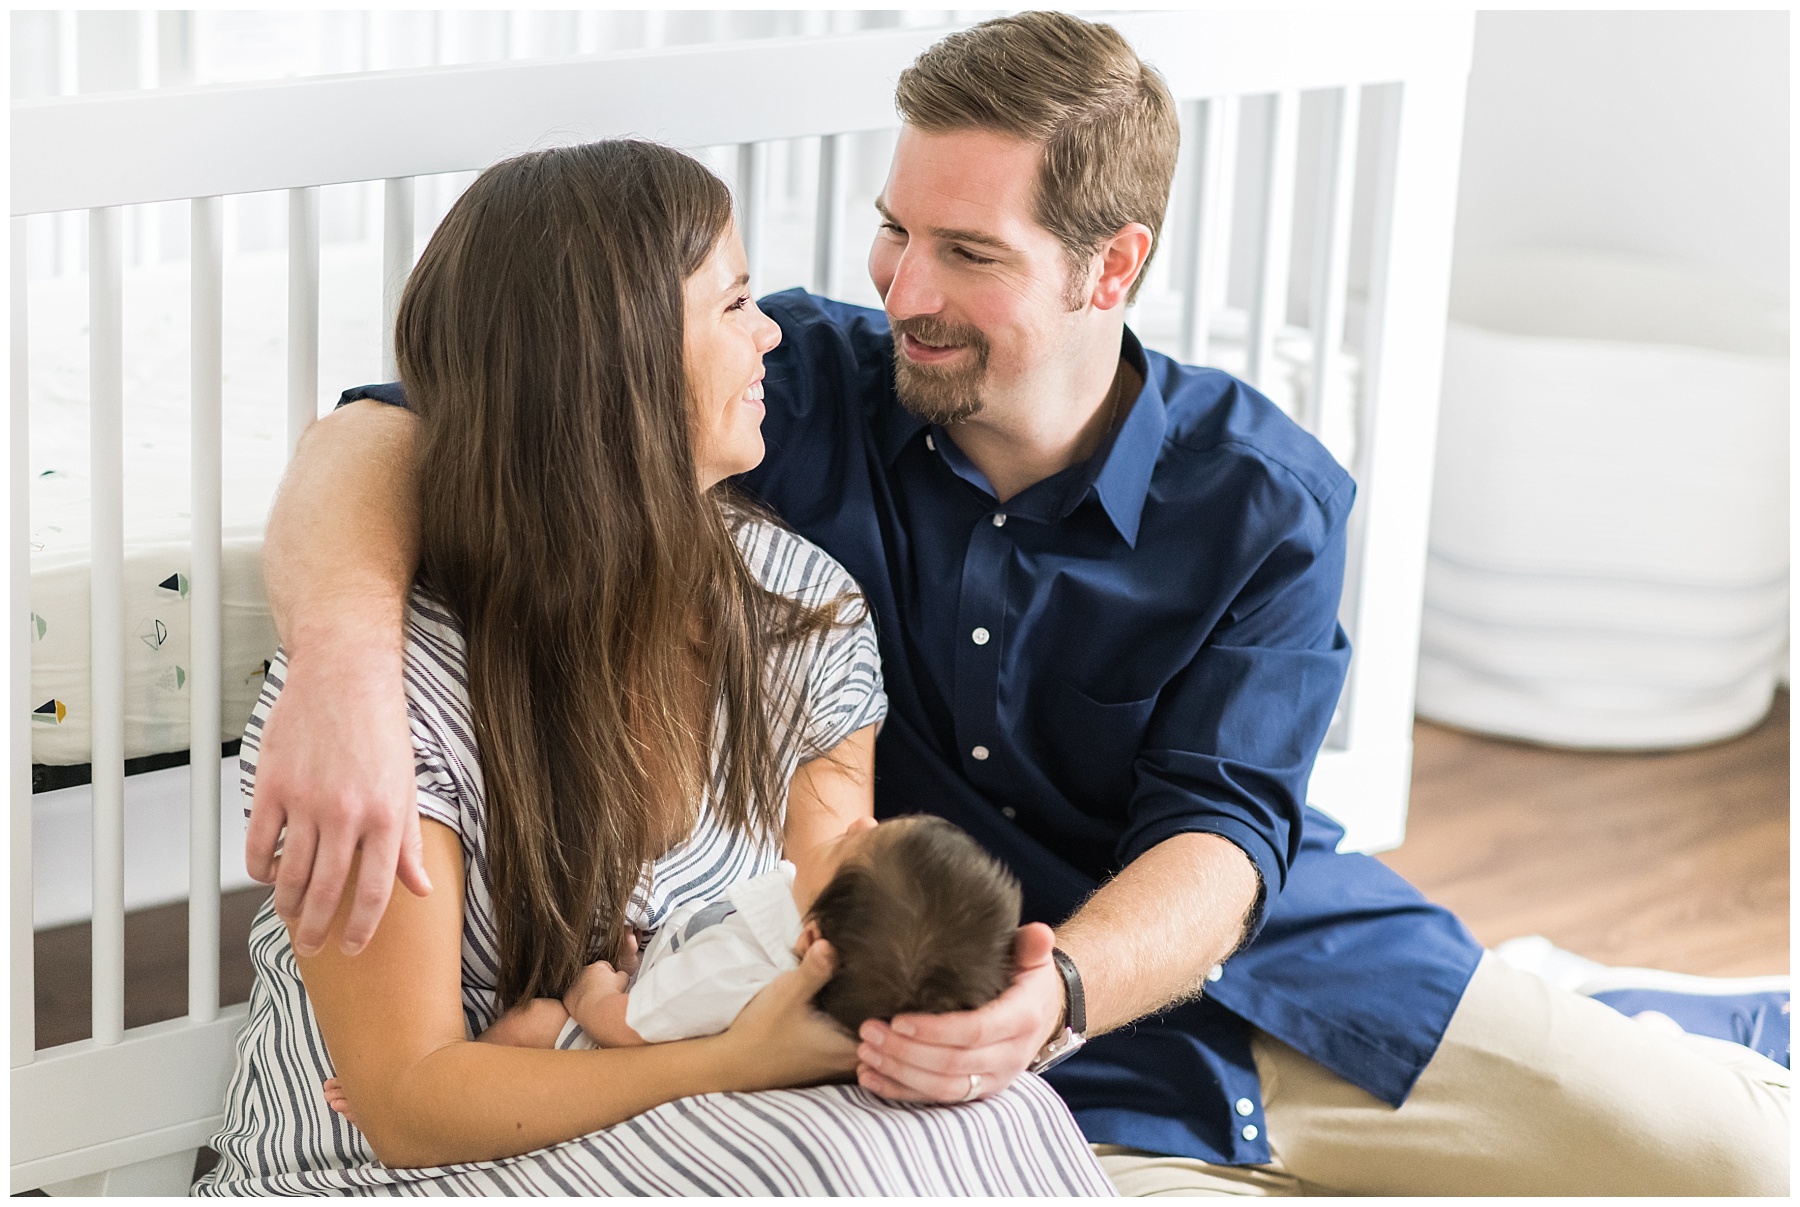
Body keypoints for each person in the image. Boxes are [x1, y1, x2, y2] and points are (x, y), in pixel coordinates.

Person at [248, 13, 1789, 1197]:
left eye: (968, 253)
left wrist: (1064, 988)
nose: (902, 287)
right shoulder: (806, 384)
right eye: (897, 228)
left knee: (1735, 1160)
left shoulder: (1262, 497)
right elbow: (420, 424)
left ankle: (1670, 1024)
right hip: (965, 1020)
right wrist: (344, 663)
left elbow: (1224, 831)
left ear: (1110, 267)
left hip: (1256, 975)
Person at [193, 138, 1110, 1197]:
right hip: (391, 1167)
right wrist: (732, 1062)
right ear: (611, 364)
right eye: (735, 304)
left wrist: (942, 1020)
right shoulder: (388, 700)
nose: (771, 335)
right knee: (831, 1168)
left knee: (1002, 1115)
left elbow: (829, 936)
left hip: (679, 1114)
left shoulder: (801, 613)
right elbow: (406, 1105)